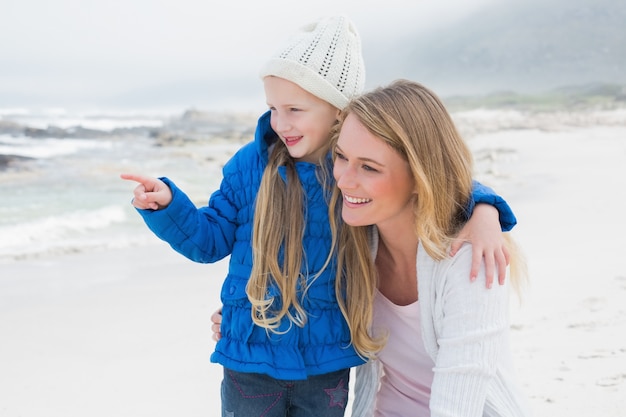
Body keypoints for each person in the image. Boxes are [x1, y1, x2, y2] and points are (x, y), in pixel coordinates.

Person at [122, 16, 517, 417]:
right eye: (273, 108)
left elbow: (430, 172)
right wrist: (170, 206)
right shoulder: (249, 167)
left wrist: (485, 210)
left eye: (295, 108)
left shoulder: (348, 176)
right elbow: (209, 240)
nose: (280, 122)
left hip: (326, 362)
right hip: (250, 357)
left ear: (340, 113)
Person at [330, 79, 531, 416]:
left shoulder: (471, 258)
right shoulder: (352, 241)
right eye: (340, 156)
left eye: (368, 167)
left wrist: (484, 210)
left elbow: (459, 400)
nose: (344, 179)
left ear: (419, 175)